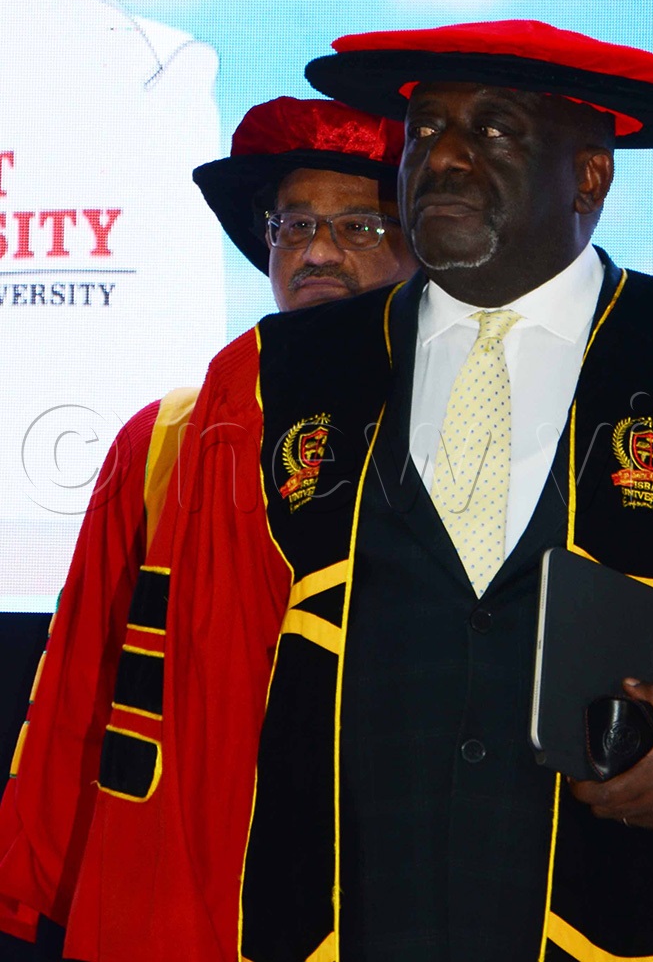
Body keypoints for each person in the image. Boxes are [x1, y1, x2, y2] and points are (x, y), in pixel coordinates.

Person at [75, 21, 653, 962]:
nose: (445, 158)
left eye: (493, 131)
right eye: (426, 131)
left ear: (590, 178)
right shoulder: (272, 379)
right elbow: (199, 708)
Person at [0, 96, 416, 955]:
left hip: (391, 875)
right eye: (293, 222)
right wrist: (34, 879)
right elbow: (82, 681)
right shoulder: (164, 438)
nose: (317, 249)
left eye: (360, 226)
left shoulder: (474, 431)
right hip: (188, 874)